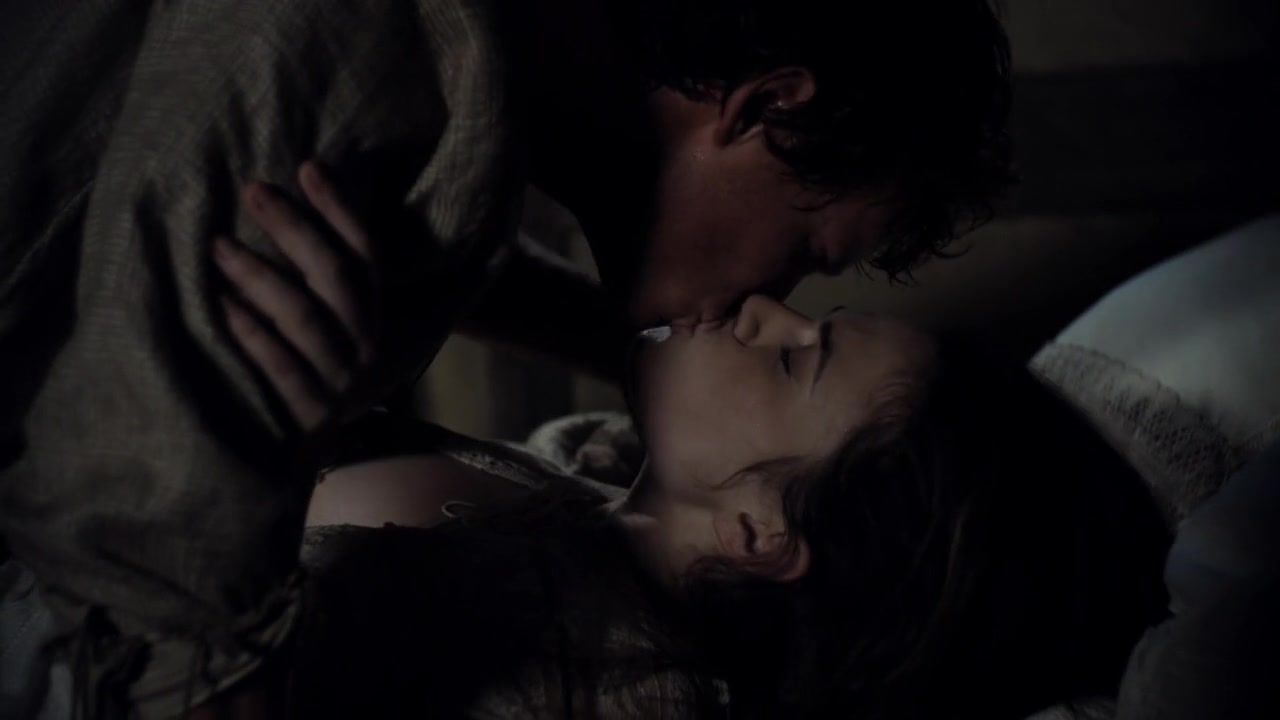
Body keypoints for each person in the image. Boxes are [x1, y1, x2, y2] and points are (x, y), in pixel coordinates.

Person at [0, 1, 1012, 713]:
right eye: (806, 254)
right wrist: (261, 457)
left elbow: (428, 229)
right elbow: (146, 586)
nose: (767, 307)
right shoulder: (379, 46)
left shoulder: (477, 80)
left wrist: (619, 344)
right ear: (767, 107)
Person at [171, 185, 1171, 719]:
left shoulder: (606, 685)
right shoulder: (607, 491)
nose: (764, 310)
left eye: (795, 362)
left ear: (761, 535)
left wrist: (253, 473)